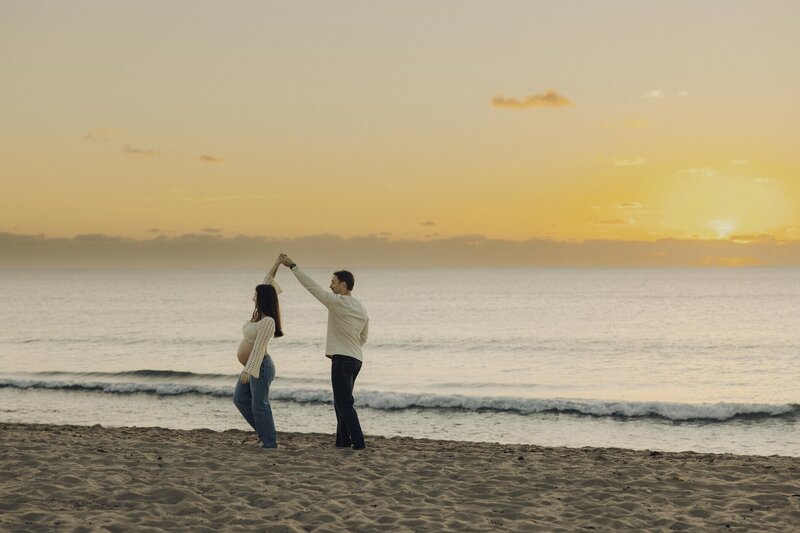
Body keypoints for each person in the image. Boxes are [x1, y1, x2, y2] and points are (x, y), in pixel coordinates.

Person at [279, 254, 369, 450]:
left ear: (343, 285)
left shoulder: (337, 302)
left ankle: (359, 442)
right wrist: (351, 347)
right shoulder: (361, 308)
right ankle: (342, 441)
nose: (330, 285)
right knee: (340, 402)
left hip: (343, 360)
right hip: (356, 360)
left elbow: (312, 287)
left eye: (333, 282)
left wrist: (293, 266)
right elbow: (364, 337)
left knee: (344, 403)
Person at [233, 256, 284, 448]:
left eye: (255, 295)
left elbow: (258, 348)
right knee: (239, 399)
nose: (253, 297)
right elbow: (267, 281)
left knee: (259, 405)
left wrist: (248, 370)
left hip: (260, 366)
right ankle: (265, 433)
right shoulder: (257, 317)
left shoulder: (268, 321)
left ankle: (269, 442)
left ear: (262, 298)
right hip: (252, 365)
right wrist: (277, 263)